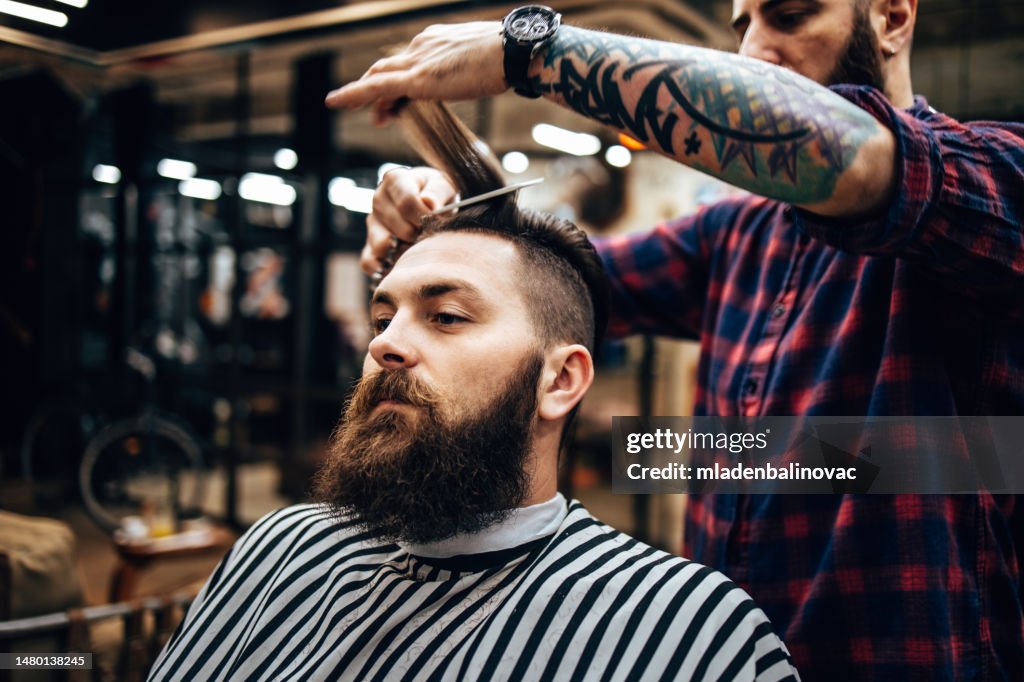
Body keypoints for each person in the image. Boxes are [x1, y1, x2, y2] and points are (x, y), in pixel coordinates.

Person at [327, 1, 1024, 679]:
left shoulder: (999, 176)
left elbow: (858, 158)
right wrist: (459, 219)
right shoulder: (737, 234)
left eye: (790, 16)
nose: (755, 50)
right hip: (723, 657)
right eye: (742, 27)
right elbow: (552, 293)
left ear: (893, 18)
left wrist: (533, 52)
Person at [148, 103, 799, 681]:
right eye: (382, 317)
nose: (384, 345)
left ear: (562, 379)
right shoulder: (281, 548)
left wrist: (527, 55)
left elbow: (569, 292)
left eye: (447, 316)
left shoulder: (691, 636)